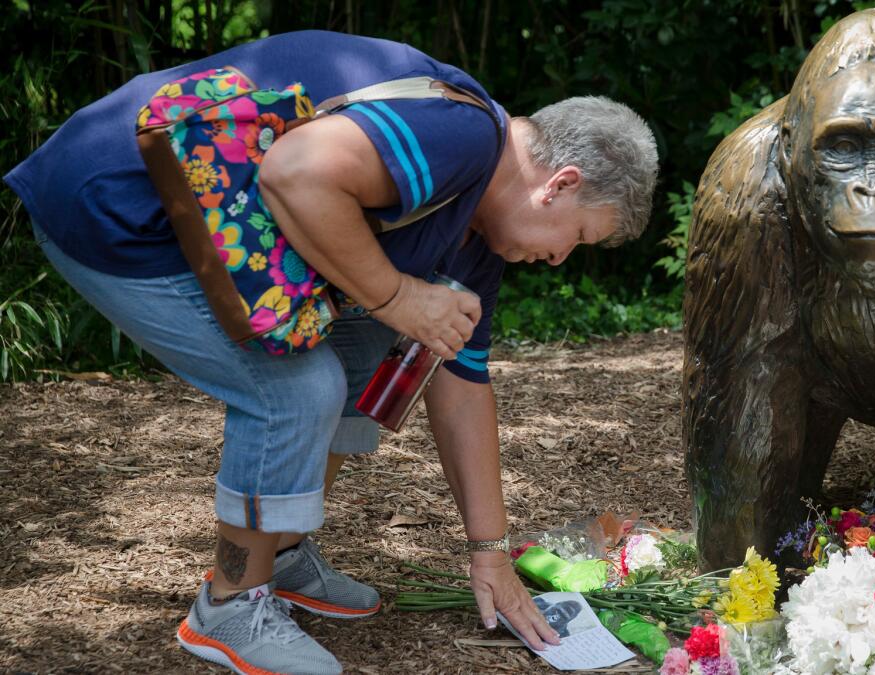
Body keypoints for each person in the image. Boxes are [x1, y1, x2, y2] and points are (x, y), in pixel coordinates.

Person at [4, 30, 658, 675]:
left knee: (377, 346)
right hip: (115, 207)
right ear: (560, 184)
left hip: (194, 224)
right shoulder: (463, 138)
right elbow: (296, 173)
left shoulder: (478, 237)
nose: (559, 258)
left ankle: (280, 553)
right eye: (576, 237)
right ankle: (229, 605)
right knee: (297, 386)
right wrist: (400, 296)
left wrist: (489, 551)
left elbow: (460, 384)